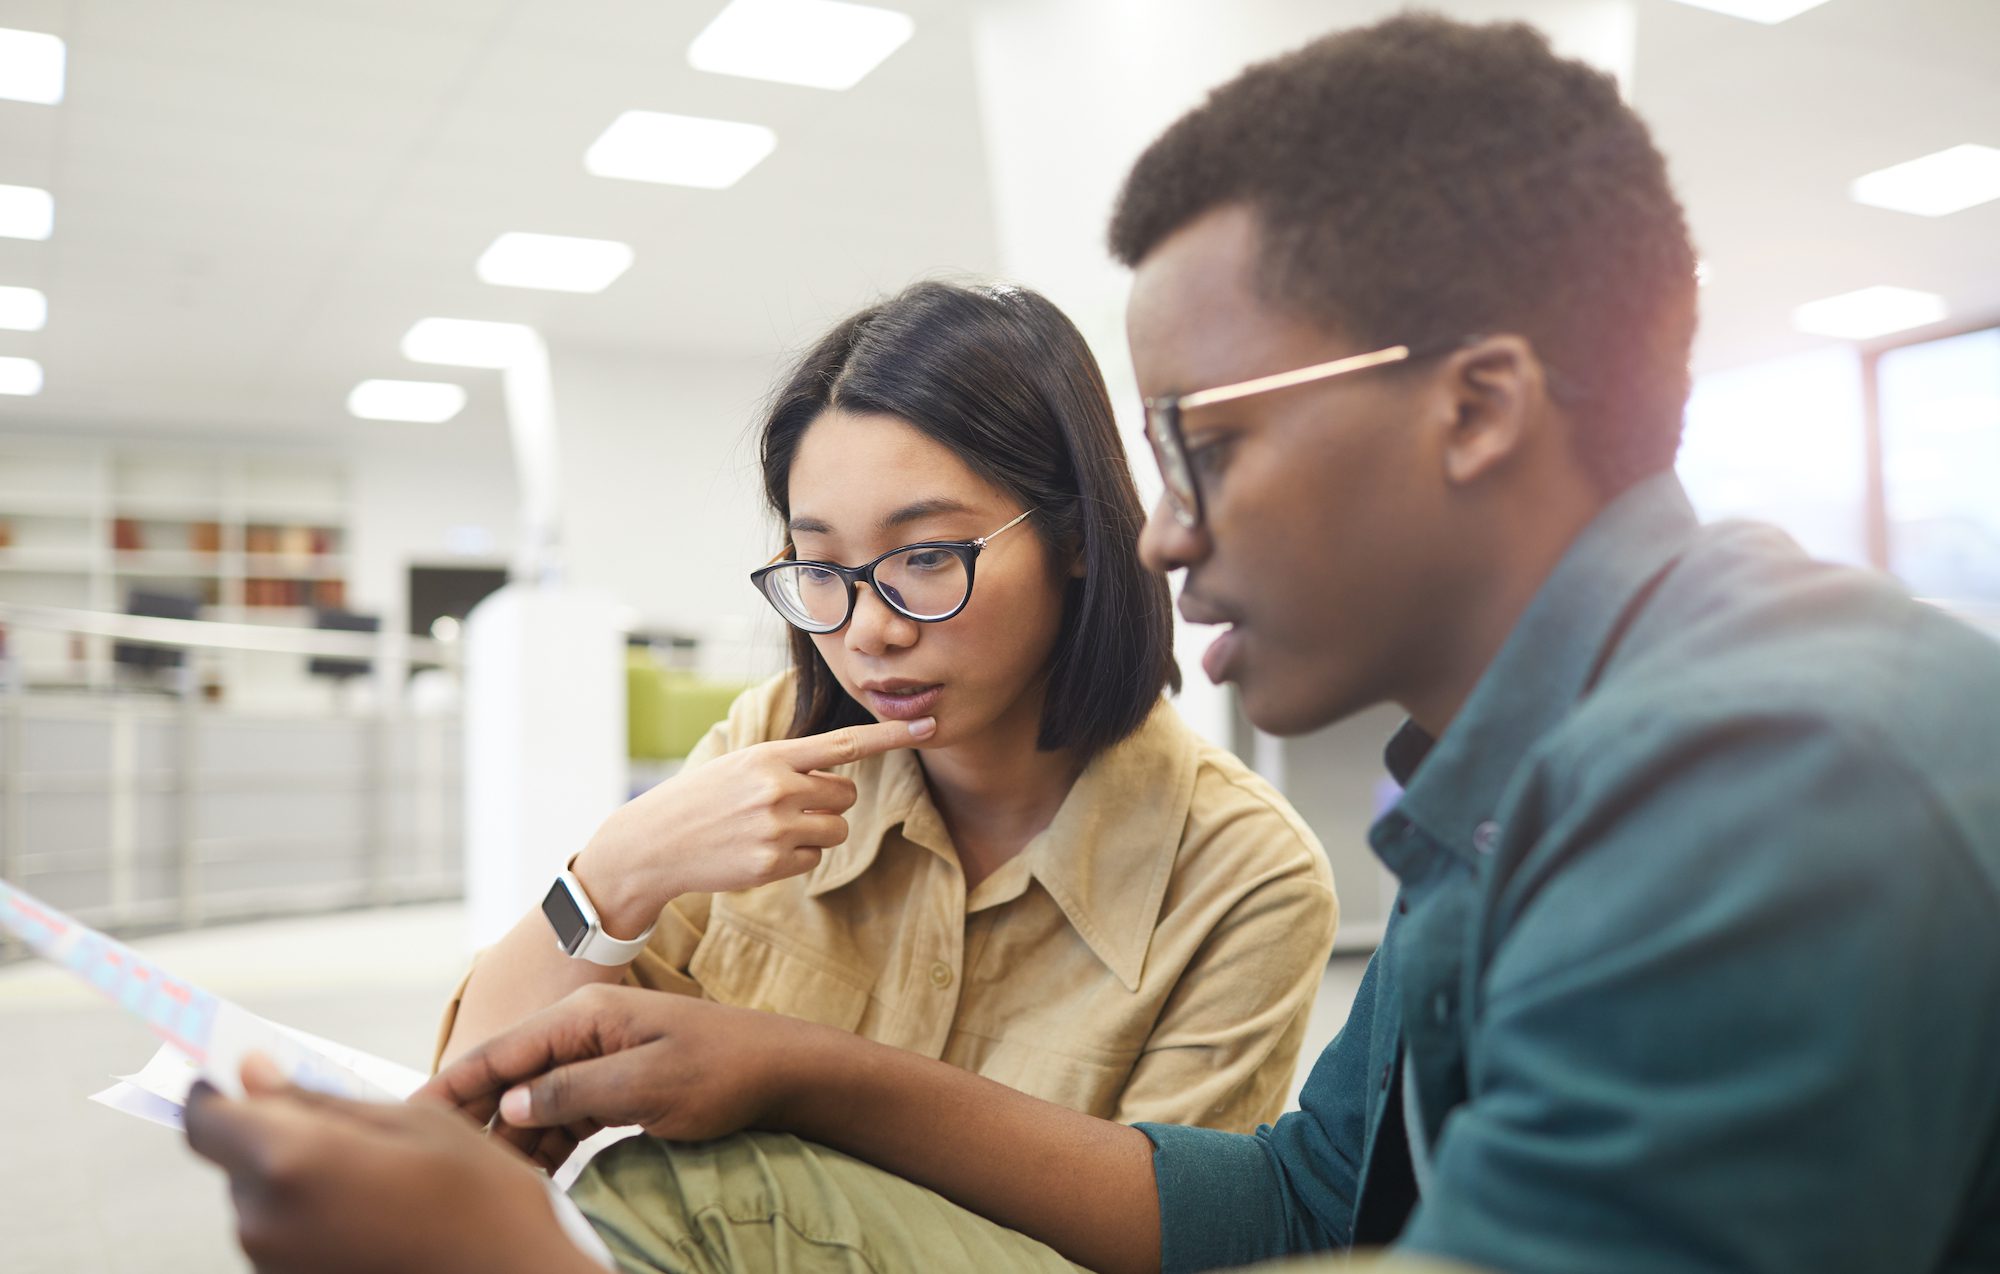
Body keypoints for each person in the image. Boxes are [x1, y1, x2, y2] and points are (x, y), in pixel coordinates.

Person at [186, 13, 2000, 1274]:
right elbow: (1305, 1192)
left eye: (1203, 439)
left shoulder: (1774, 766)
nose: (1166, 524)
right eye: (818, 565)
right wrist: (768, 1040)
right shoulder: (1522, 775)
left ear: (1477, 406)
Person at [433, 278, 1338, 1135]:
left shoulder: (1240, 873)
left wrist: (795, 1076)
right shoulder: (772, 743)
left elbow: (1159, 1232)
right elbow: (468, 1105)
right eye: (820, 568)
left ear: (1074, 536)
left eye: (928, 557)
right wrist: (614, 871)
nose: (869, 630)